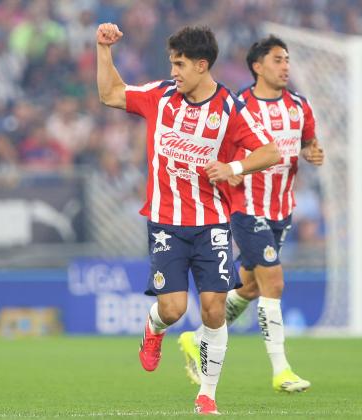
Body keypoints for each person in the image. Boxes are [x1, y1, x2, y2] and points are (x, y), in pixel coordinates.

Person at [96, 24, 280, 414]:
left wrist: (233, 166)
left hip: (211, 223)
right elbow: (111, 93)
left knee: (214, 309)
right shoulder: (160, 96)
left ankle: (207, 395)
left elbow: (270, 153)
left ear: (201, 65)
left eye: (179, 64)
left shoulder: (229, 108)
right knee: (173, 310)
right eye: (171, 63)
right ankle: (153, 328)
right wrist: (103, 49)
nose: (173, 71)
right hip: (166, 222)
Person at [179, 35, 325, 393]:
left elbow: (308, 143)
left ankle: (196, 339)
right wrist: (231, 170)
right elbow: (218, 150)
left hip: (282, 210)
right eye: (278, 60)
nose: (285, 66)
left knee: (249, 286)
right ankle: (281, 370)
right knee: (273, 283)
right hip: (247, 208)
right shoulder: (238, 106)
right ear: (257, 66)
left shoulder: (300, 107)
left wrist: (312, 153)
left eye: (287, 59)